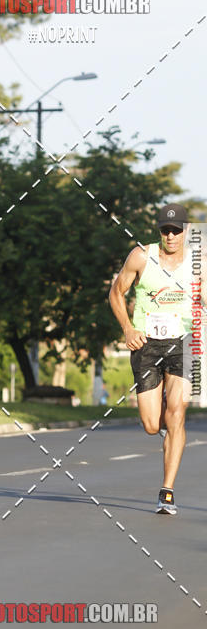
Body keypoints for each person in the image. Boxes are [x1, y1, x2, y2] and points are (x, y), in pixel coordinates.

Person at [109, 203, 193, 514]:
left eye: (176, 230)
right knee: (149, 424)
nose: (170, 235)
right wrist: (128, 328)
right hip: (146, 344)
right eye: (165, 230)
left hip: (183, 342)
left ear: (185, 231)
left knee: (178, 413)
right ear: (159, 231)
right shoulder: (142, 256)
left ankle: (167, 490)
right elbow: (116, 292)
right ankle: (162, 420)